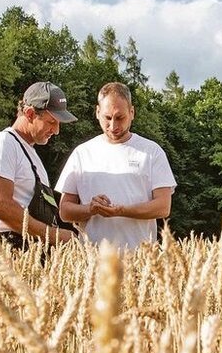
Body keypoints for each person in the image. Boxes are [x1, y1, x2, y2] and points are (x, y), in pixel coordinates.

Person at [56, 81, 176, 249]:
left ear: (132, 112)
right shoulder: (82, 153)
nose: (113, 126)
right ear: (97, 112)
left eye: (120, 118)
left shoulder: (152, 152)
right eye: (107, 118)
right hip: (93, 262)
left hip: (141, 260)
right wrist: (91, 209)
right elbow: (65, 211)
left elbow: (163, 207)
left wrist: (122, 211)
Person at [0, 81, 78, 250]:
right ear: (30, 113)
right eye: (52, 122)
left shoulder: (30, 153)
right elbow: (0, 205)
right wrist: (54, 235)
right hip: (10, 247)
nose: (57, 130)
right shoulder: (3, 143)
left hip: (33, 248)